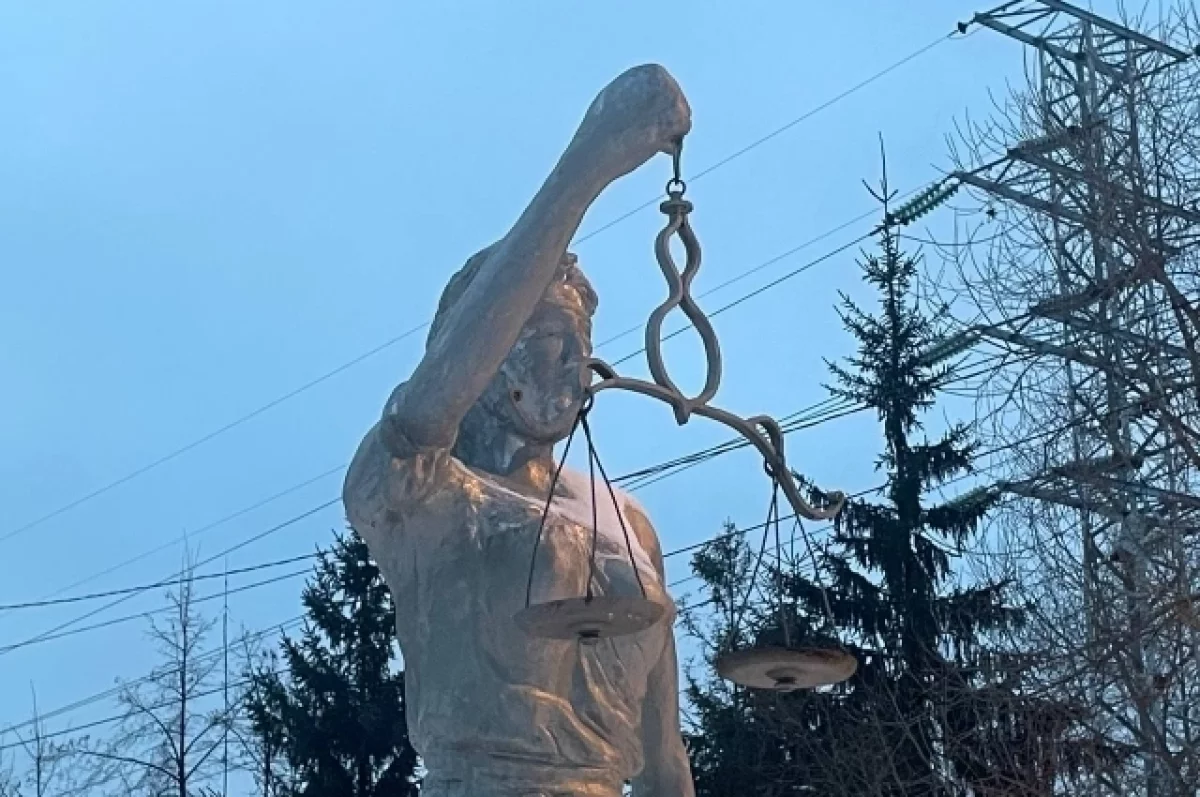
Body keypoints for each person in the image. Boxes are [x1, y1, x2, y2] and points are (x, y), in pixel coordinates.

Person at [343, 65, 695, 797]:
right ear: (488, 353)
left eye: (581, 342)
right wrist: (589, 166)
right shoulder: (427, 497)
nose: (574, 362)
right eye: (547, 339)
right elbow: (426, 411)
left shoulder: (627, 520)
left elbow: (663, 757)